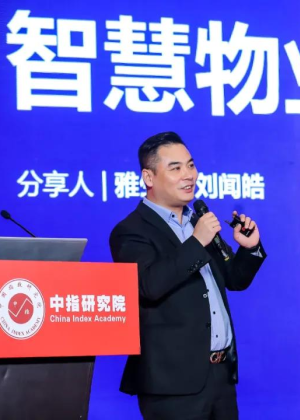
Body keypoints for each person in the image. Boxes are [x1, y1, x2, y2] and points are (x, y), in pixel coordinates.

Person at [109, 131, 266, 420]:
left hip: (220, 377)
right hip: (172, 386)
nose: (188, 175)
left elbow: (234, 279)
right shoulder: (131, 231)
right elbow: (148, 286)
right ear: (148, 177)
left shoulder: (197, 221)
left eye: (191, 165)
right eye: (175, 168)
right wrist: (196, 242)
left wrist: (250, 248)